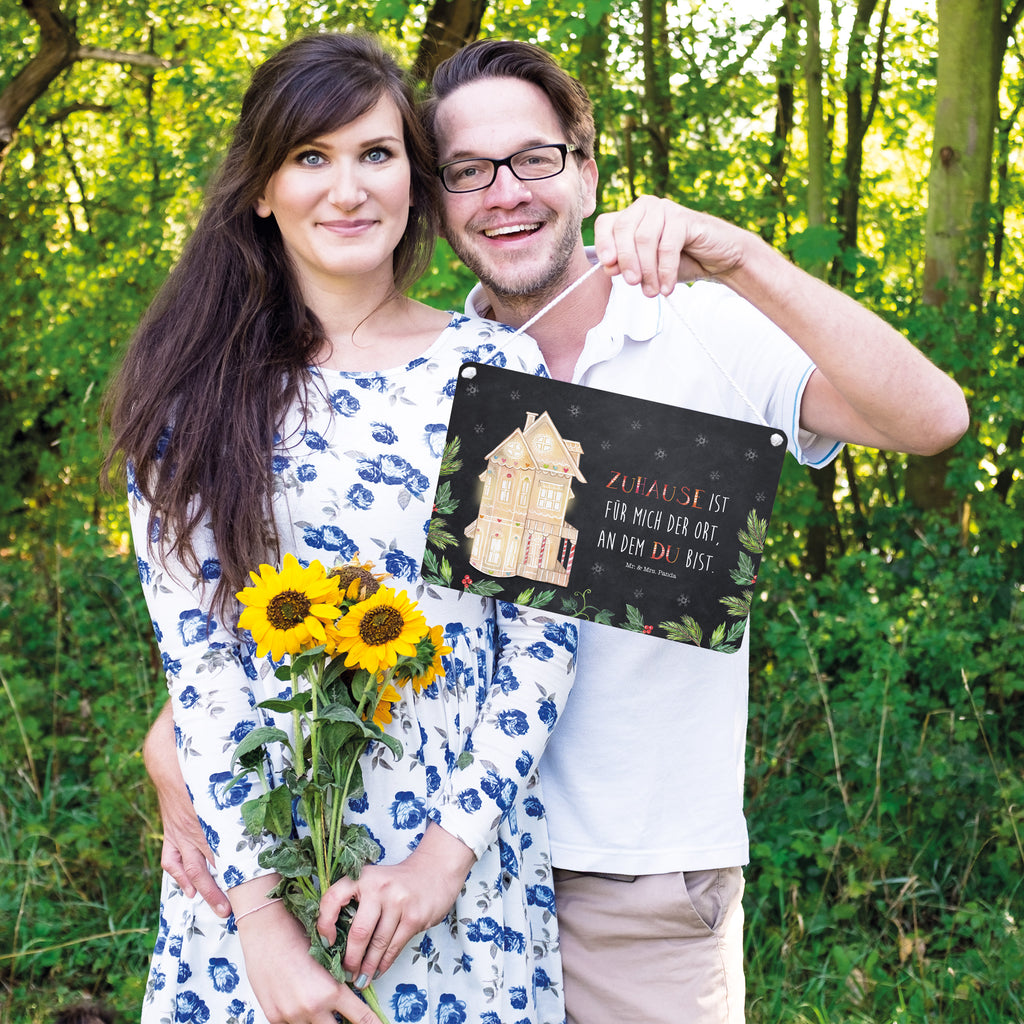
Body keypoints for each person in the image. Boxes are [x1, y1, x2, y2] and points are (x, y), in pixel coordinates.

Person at [142, 36, 970, 1024]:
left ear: (585, 169)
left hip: (600, 877)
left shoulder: (630, 340)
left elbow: (930, 422)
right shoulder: (254, 389)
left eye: (532, 159)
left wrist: (741, 255)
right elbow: (235, 631)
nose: (503, 192)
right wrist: (195, 779)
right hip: (324, 871)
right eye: (466, 171)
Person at [106, 32, 577, 1024]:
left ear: (415, 178)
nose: (348, 188)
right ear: (262, 189)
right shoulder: (191, 398)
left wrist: (442, 861)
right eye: (310, 158)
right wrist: (262, 927)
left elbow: (537, 644)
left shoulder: (501, 374)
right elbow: (203, 670)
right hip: (251, 882)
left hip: (454, 881)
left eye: (375, 153)